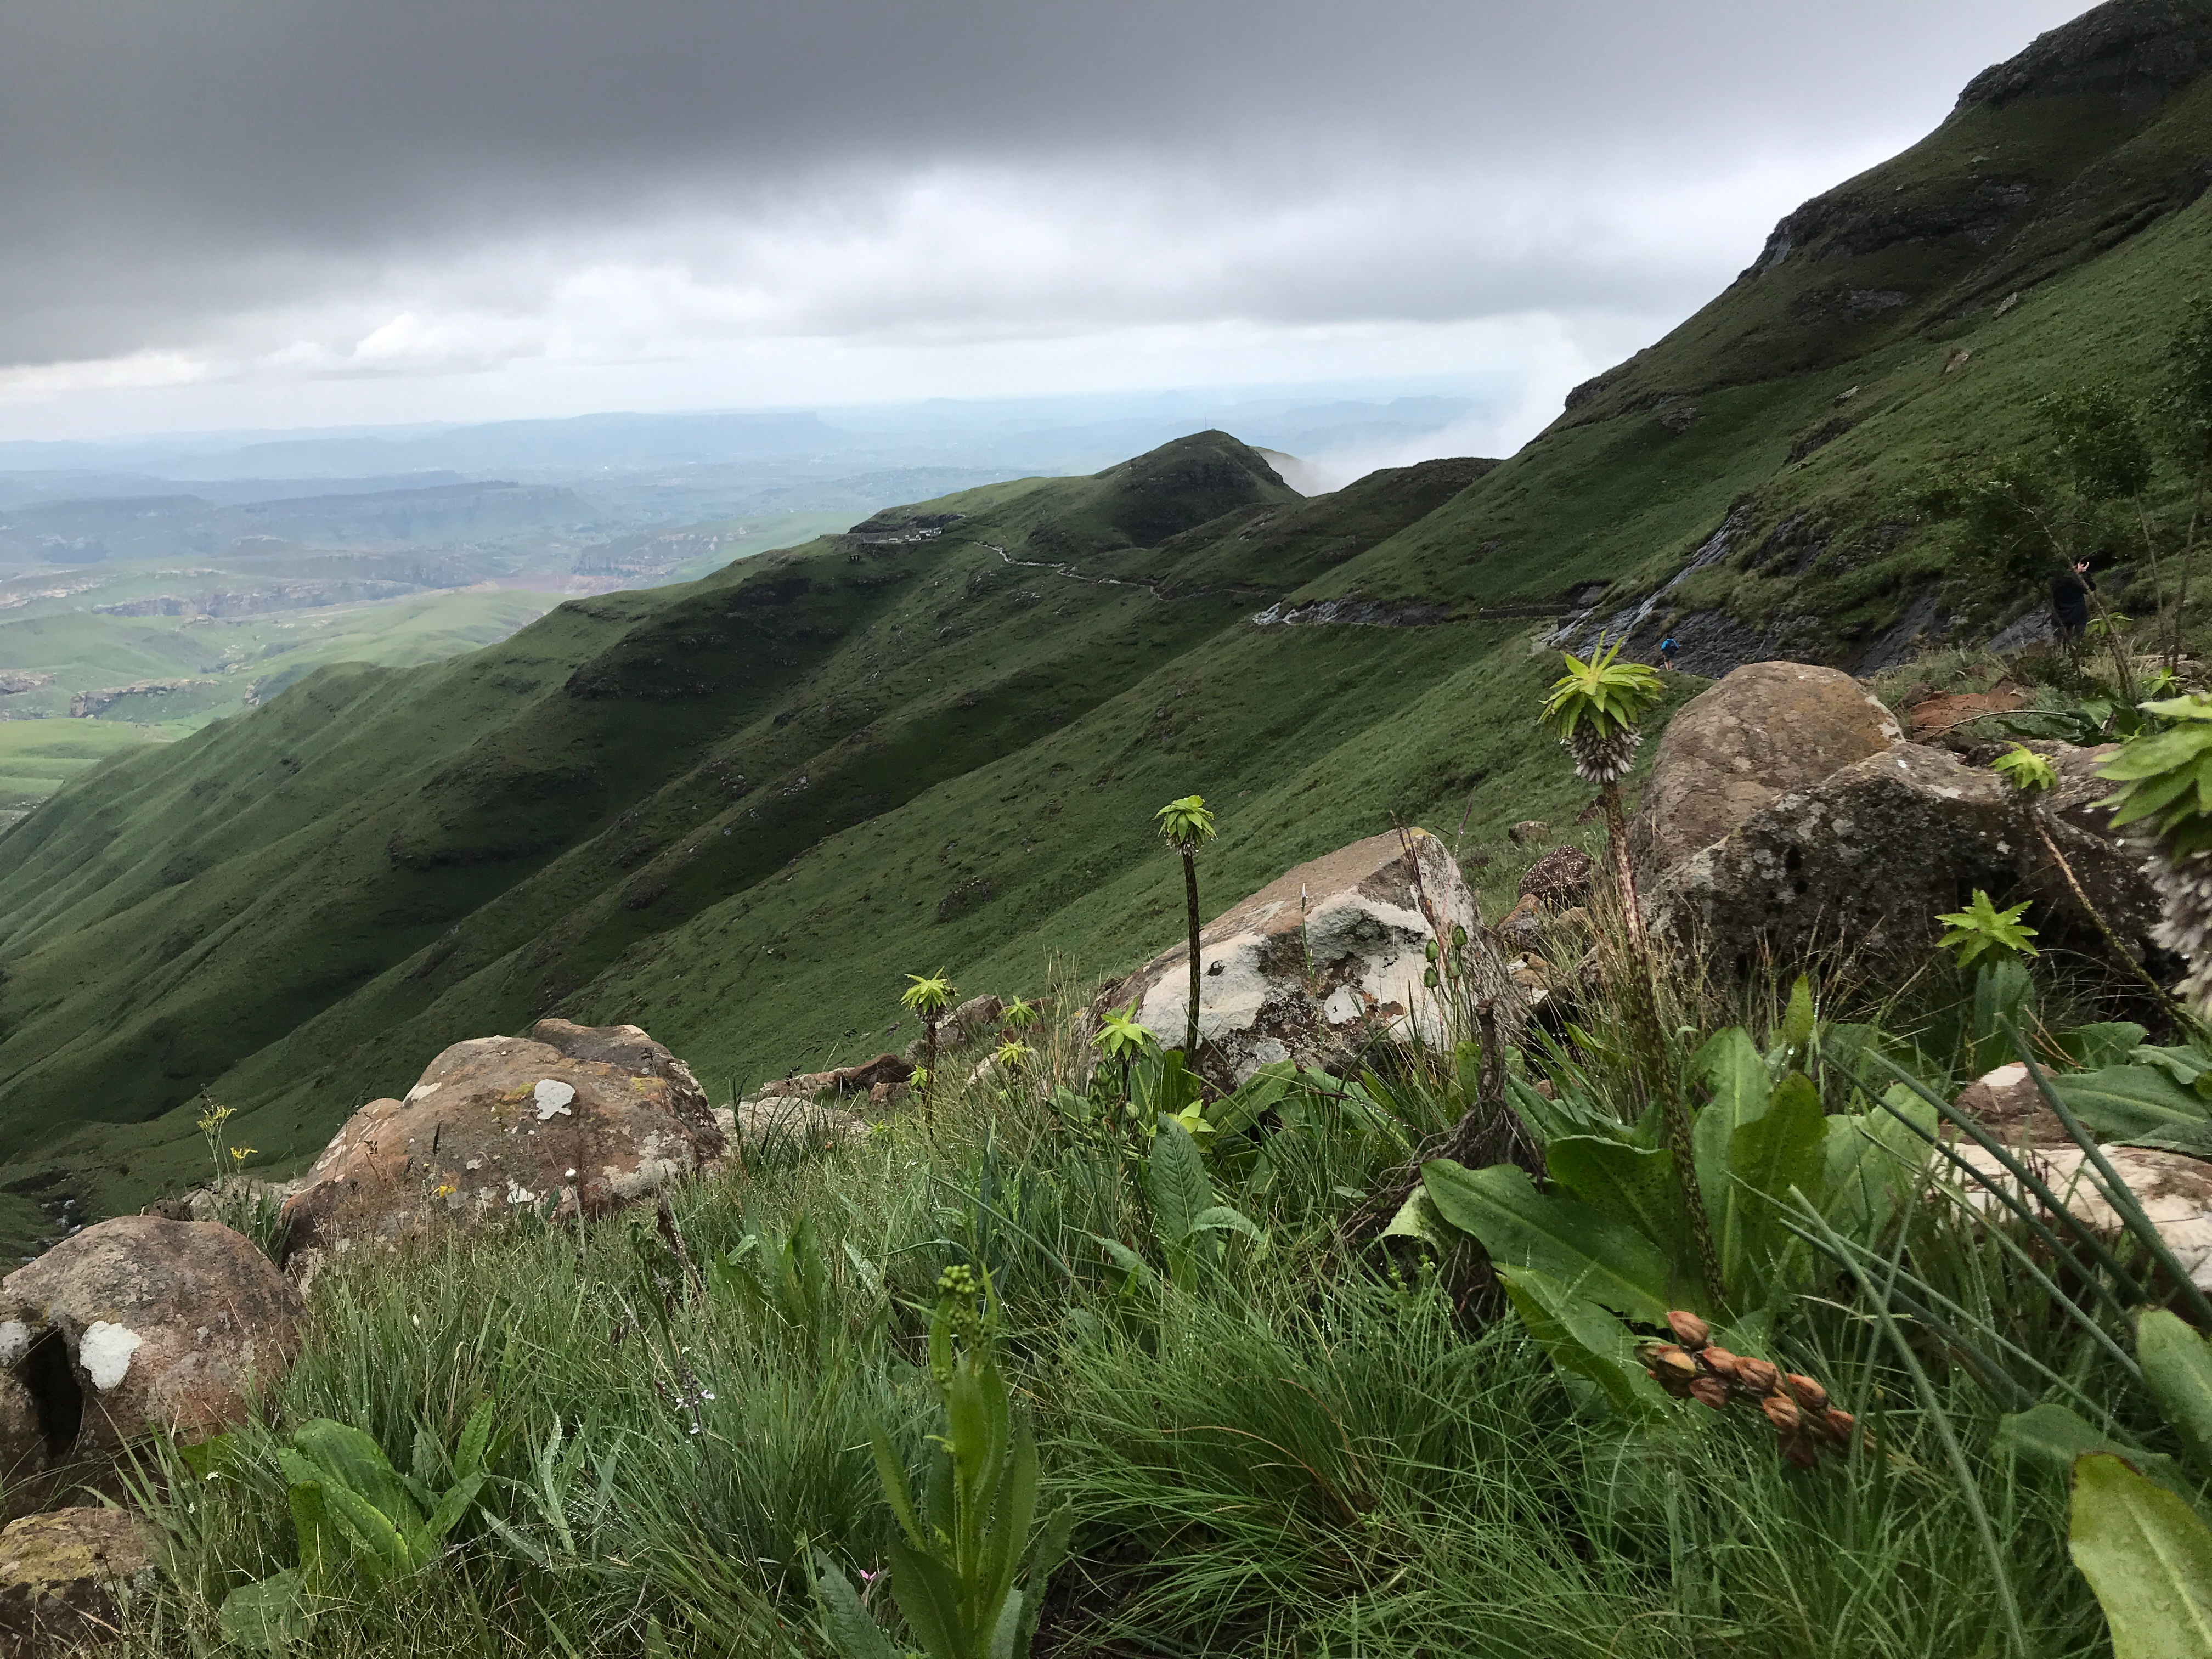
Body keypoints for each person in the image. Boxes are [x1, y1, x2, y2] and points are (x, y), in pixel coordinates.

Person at [2051, 560, 2095, 643]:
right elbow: (2090, 588)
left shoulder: (2055, 579)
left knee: (2061, 643)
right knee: (2078, 640)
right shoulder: (2074, 579)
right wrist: (2082, 574)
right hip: (2077, 614)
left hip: (2060, 614)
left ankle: (2065, 653)